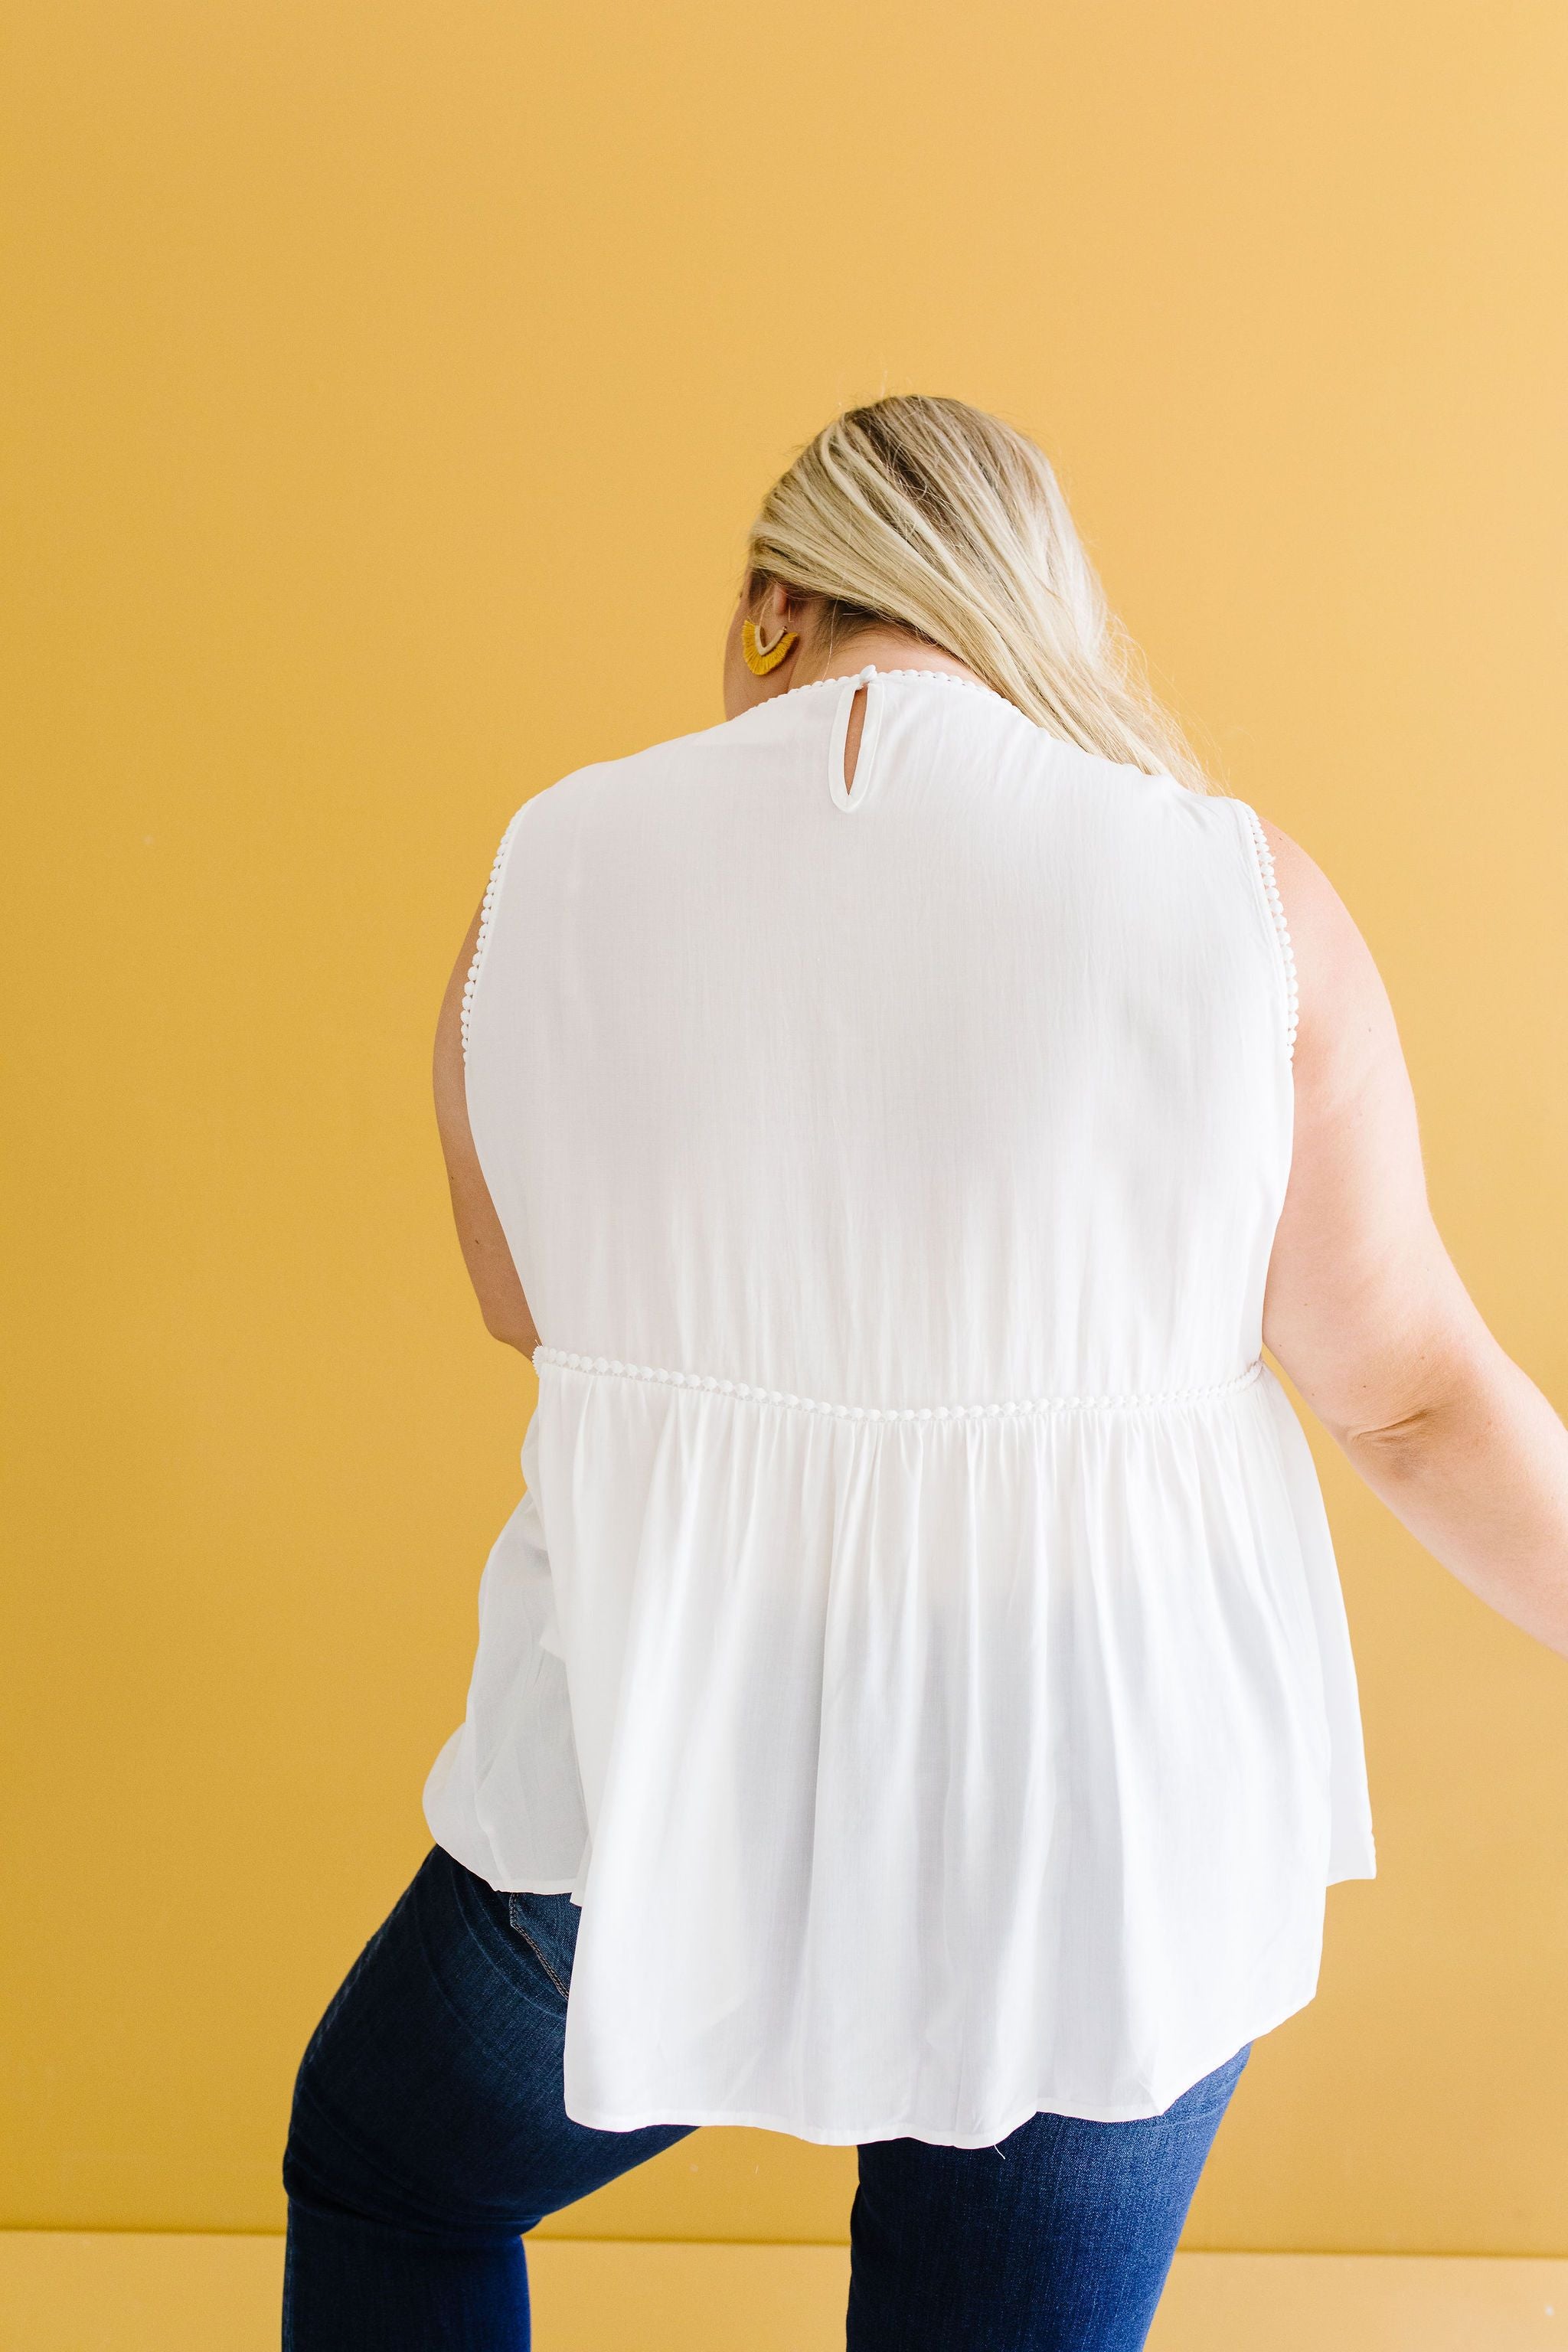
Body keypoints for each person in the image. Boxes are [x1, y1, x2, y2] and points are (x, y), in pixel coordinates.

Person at [281, 396, 1568, 2351]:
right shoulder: (1233, 898)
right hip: (1105, 1804)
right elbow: (1403, 1397)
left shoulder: (548, 869)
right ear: (1027, 608)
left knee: (389, 2162)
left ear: (769, 603)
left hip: (672, 1751)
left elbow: (523, 1304)